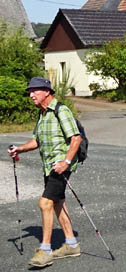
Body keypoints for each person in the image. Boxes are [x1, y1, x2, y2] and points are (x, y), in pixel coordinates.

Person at [7, 77, 83, 267]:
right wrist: (19, 149)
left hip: (61, 166)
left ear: (47, 91)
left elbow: (76, 138)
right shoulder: (42, 114)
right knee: (57, 202)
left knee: (45, 203)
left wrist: (66, 162)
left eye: (35, 91)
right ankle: (71, 244)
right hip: (49, 166)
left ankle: (45, 250)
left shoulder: (61, 110)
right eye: (30, 92)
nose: (31, 95)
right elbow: (37, 141)